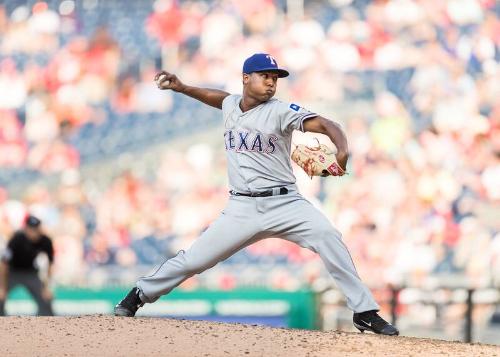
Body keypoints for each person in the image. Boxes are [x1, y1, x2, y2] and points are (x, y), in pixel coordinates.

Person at [114, 53, 399, 335]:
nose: (271, 82)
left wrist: (342, 149)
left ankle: (364, 311)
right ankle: (139, 294)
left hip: (285, 203)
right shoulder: (230, 106)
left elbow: (326, 124)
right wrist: (183, 87)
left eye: (275, 78)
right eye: (265, 76)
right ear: (246, 78)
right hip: (242, 208)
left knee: (329, 237)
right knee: (194, 260)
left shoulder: (280, 110)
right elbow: (218, 98)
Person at [0, 215, 54, 316]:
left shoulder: (46, 241)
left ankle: (50, 325)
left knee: (46, 299)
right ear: (26, 228)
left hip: (31, 273)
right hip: (13, 273)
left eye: (36, 229)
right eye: (31, 229)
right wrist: (2, 288)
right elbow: (4, 263)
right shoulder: (17, 239)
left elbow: (50, 264)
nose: (33, 232)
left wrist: (47, 287)